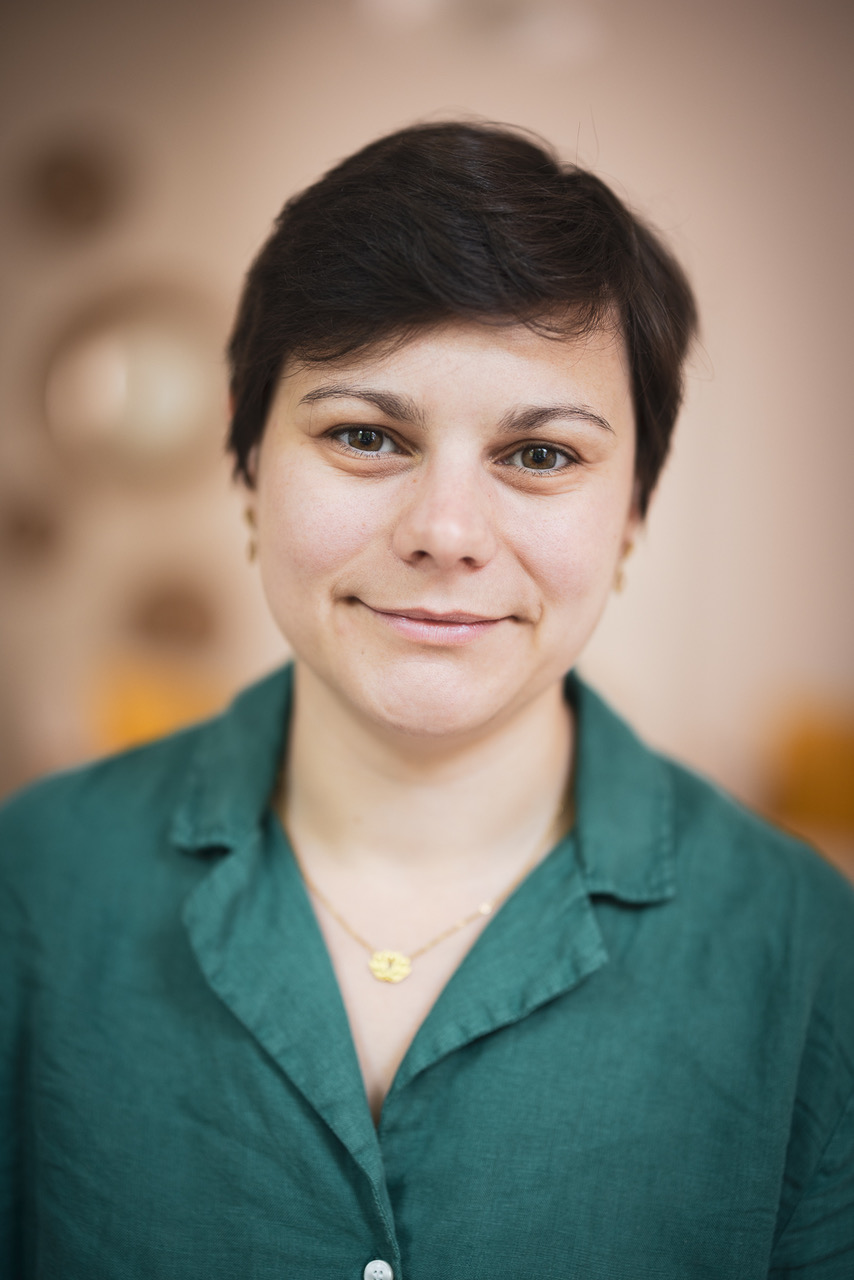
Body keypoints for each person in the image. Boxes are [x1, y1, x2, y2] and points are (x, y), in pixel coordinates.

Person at [2, 122, 853, 1280]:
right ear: (248, 466)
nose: (445, 532)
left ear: (631, 514)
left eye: (540, 455)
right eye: (364, 435)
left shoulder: (808, 952)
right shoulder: (32, 883)